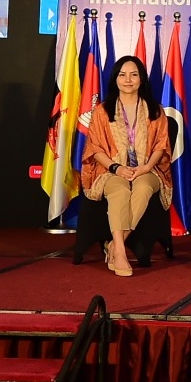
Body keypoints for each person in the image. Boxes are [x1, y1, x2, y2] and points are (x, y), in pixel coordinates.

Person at [78, 56, 173, 277]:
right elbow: (94, 148)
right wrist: (116, 168)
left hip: (148, 169)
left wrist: (145, 168)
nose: (128, 80)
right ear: (115, 79)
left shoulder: (155, 110)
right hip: (110, 170)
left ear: (141, 79)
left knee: (143, 187)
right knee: (120, 190)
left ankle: (114, 245)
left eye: (133, 75)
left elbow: (162, 146)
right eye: (122, 75)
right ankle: (121, 250)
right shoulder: (102, 111)